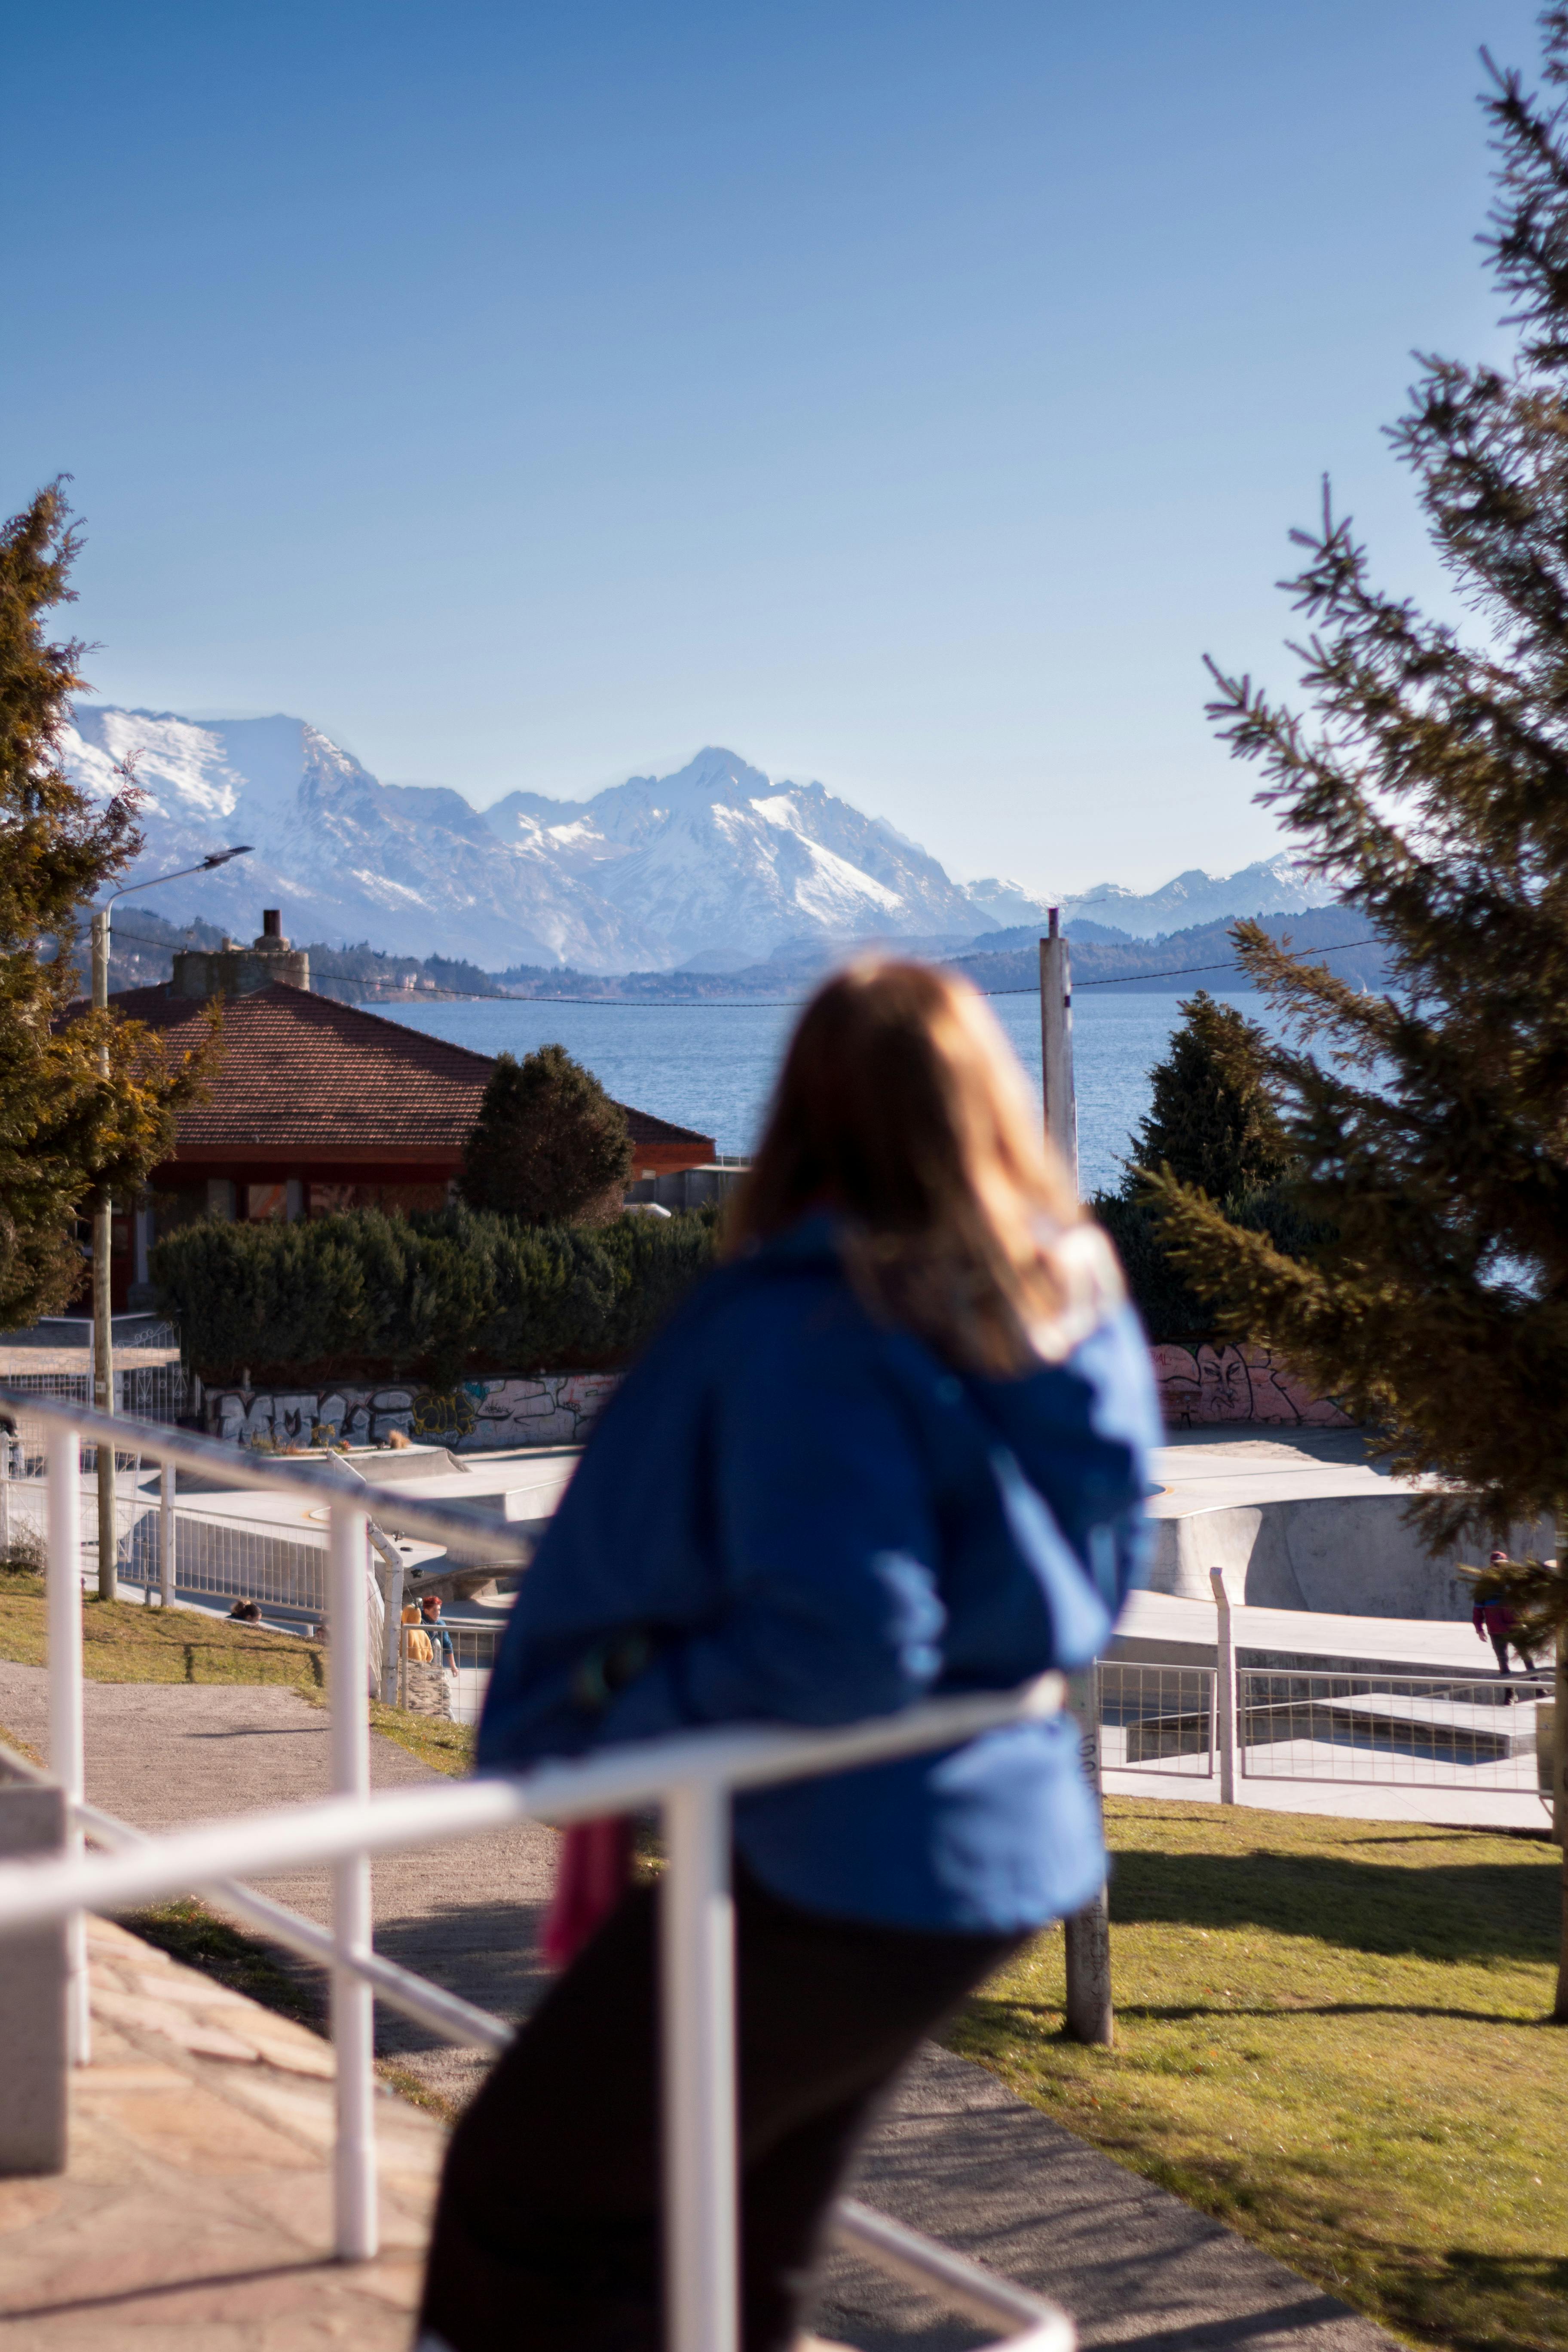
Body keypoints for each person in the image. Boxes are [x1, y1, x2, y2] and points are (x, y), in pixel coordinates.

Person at [415, 959, 1160, 2352]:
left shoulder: (816, 1323)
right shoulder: (1070, 1298)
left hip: (832, 1855)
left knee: (517, 2196)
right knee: (734, 2246)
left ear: (805, 1104)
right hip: (992, 1845)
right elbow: (1094, 1575)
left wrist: (619, 1708)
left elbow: (845, 1641)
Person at [421, 1591, 458, 1673]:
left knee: (437, 1642)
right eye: (434, 1611)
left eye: (439, 1610)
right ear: (426, 1611)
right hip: (420, 1654)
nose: (438, 1613)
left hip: (432, 1656)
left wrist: (453, 1666)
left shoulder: (440, 1624)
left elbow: (448, 1644)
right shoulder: (419, 1619)